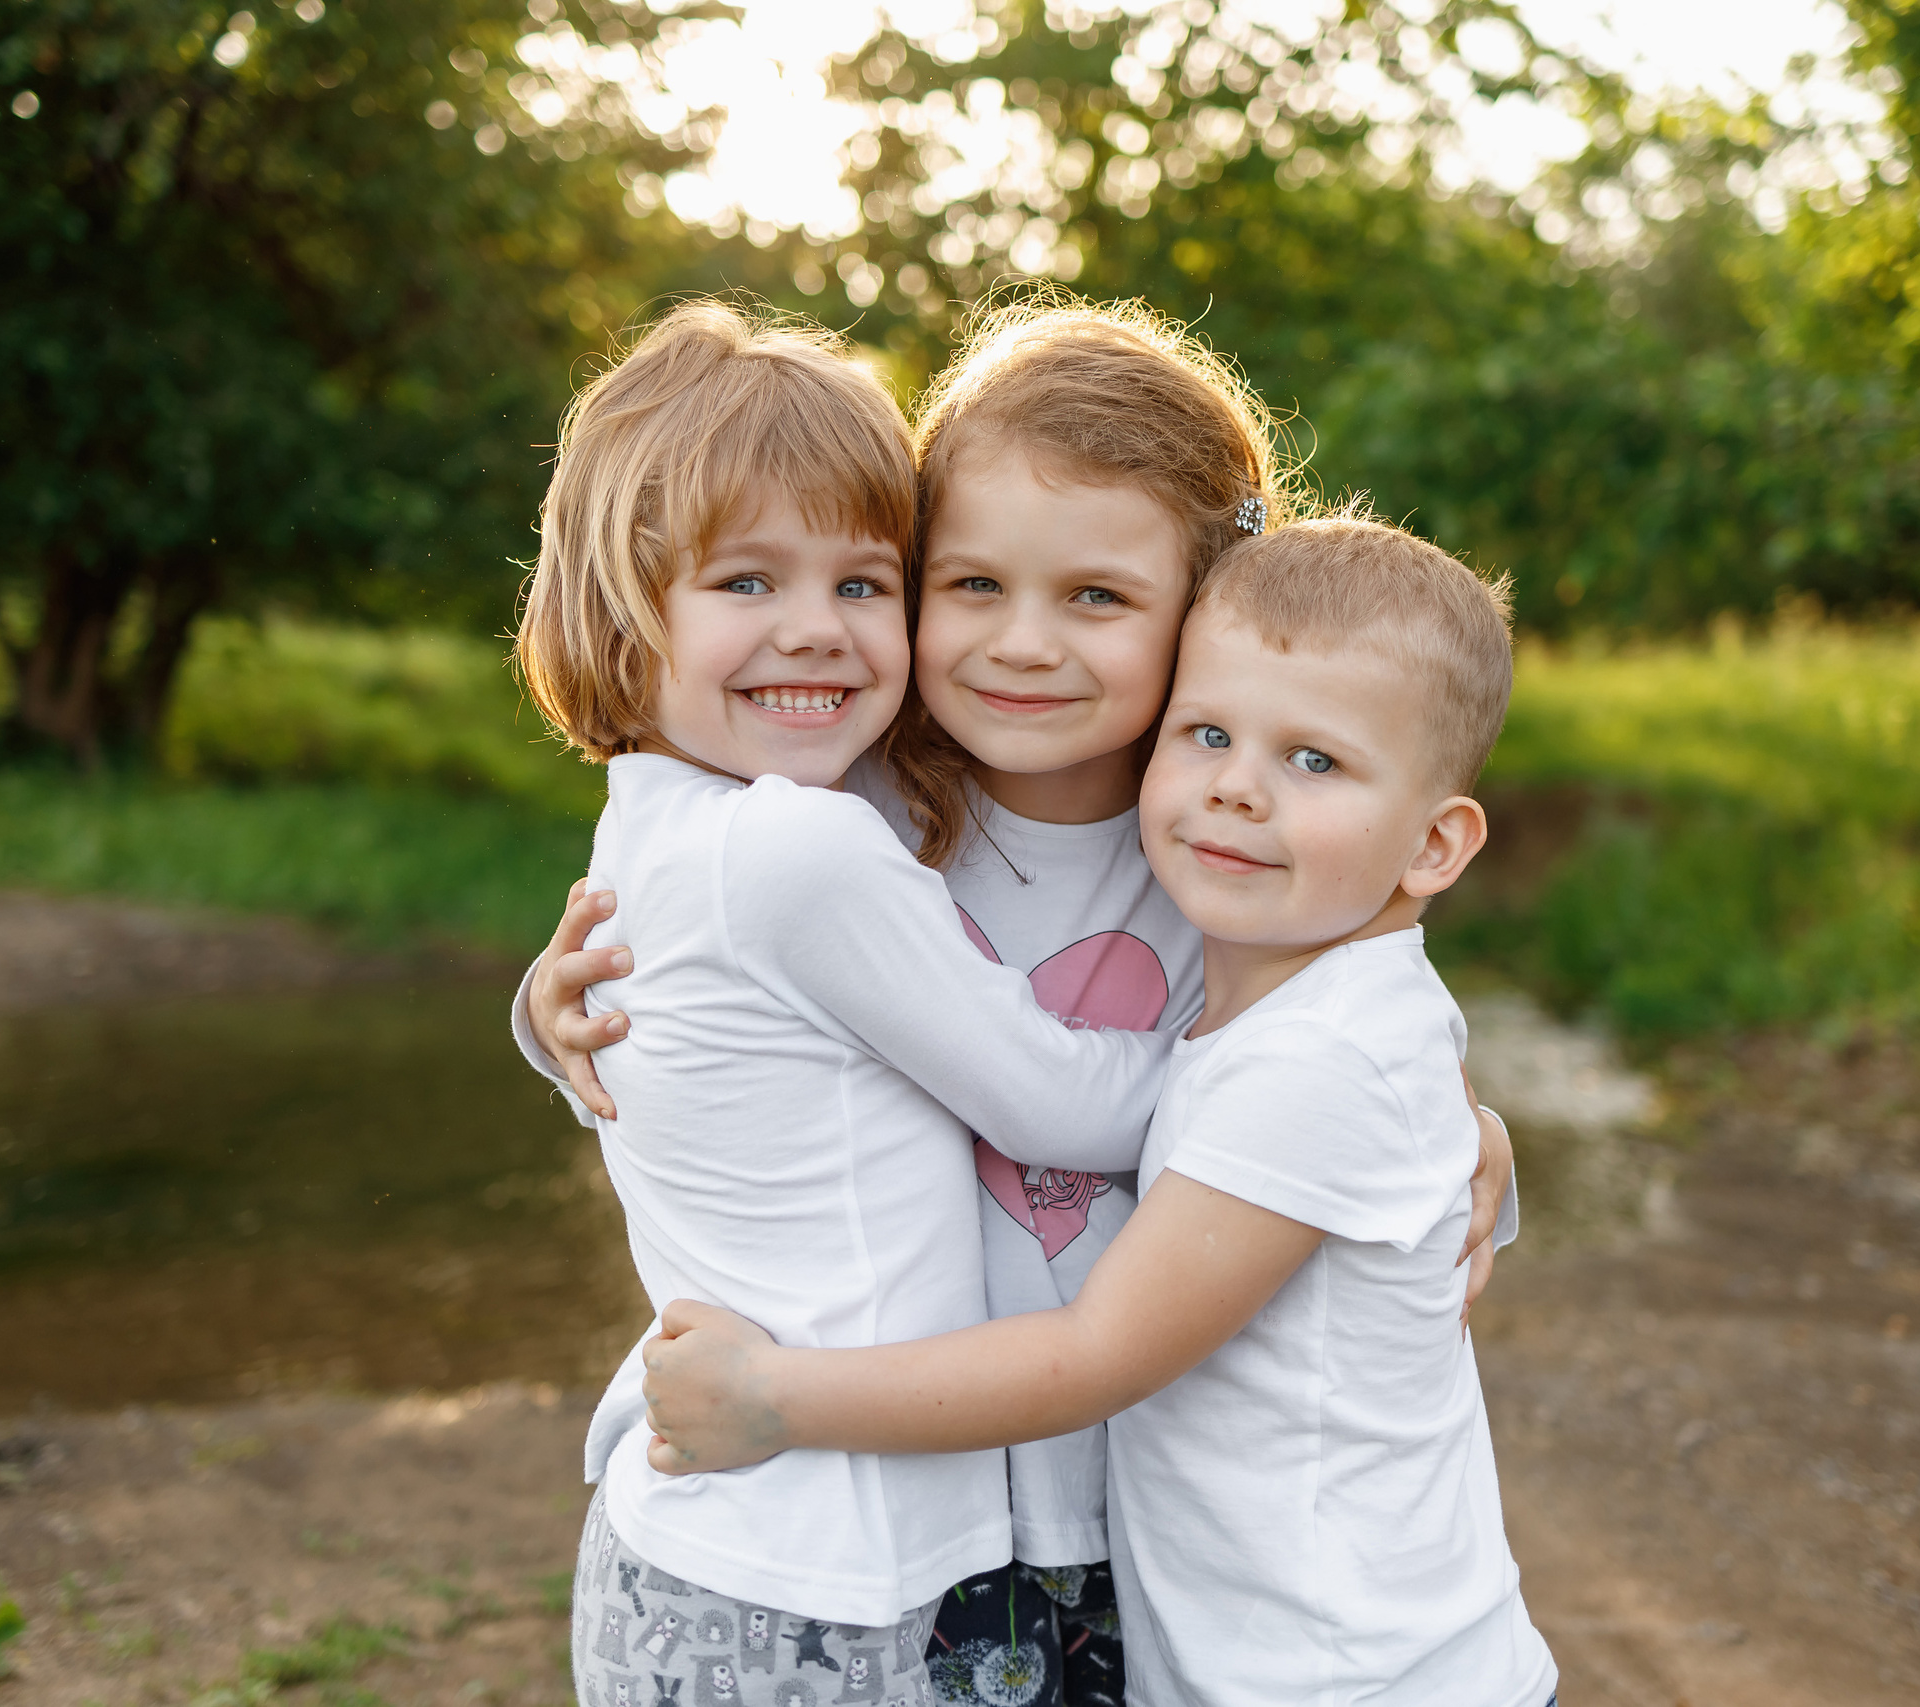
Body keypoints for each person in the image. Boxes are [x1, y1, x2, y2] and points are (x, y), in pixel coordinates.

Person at [519, 296, 1520, 1707]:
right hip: (894, 1499)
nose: (1023, 644)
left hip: (1112, 1511)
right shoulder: (852, 800)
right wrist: (551, 1020)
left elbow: (1344, 1048)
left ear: (1205, 617)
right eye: (971, 585)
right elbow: (698, 961)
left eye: (1098, 599)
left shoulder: (1225, 853)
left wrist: (1466, 1126)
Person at [512, 297, 1186, 1707]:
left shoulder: (690, 810)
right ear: (620, 604)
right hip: (826, 1565)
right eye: (746, 582)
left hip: (724, 1543)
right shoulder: (802, 831)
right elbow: (1057, 1098)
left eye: (862, 585)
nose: (813, 632)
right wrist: (1297, 1110)